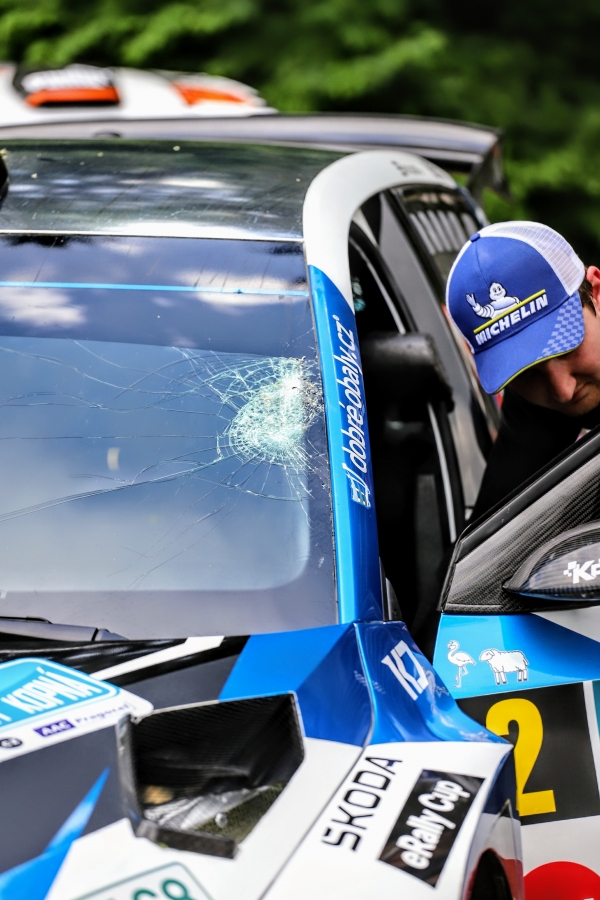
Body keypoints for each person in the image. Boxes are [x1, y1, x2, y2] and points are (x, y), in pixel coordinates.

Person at [447, 221, 600, 520]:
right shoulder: (535, 402)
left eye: (567, 348)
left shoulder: (546, 391)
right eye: (527, 371)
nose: (563, 391)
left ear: (596, 291)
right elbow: (493, 532)